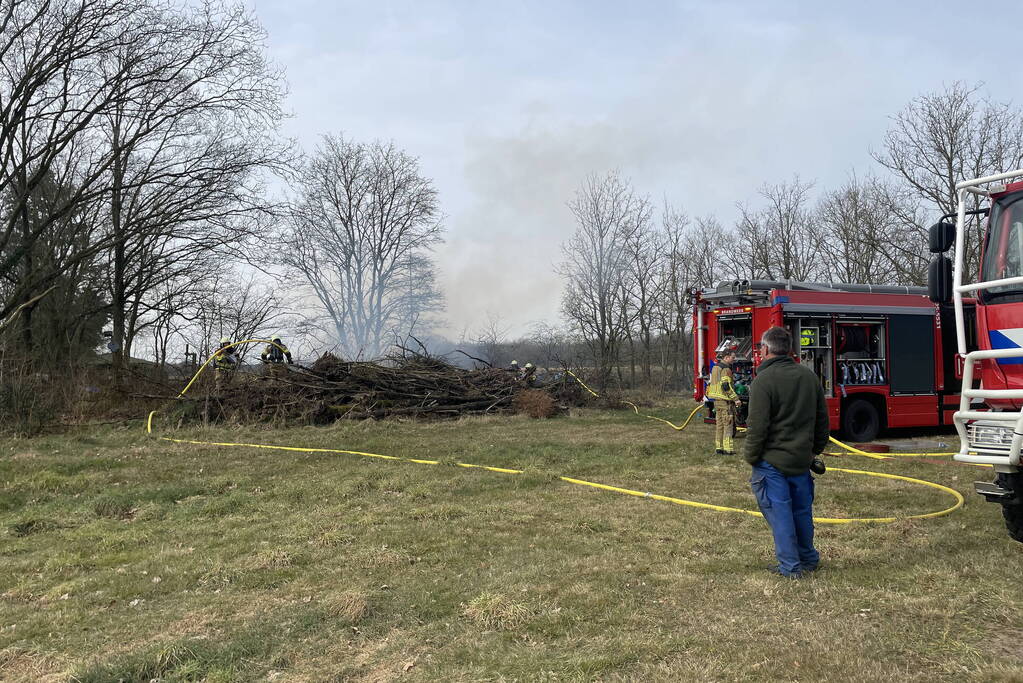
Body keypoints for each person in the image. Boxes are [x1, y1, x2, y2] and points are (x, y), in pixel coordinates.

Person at [744, 326, 829, 579]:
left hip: (772, 462)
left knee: (780, 514)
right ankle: (808, 558)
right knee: (802, 512)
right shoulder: (809, 377)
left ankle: (791, 567)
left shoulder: (763, 381)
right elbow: (822, 421)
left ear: (765, 349)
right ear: (789, 349)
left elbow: (757, 426)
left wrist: (751, 456)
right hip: (801, 460)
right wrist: (813, 450)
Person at [707, 348, 742, 455]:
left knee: (720, 425)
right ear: (726, 357)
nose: (734, 359)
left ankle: (719, 448)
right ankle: (728, 449)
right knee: (728, 425)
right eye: (732, 357)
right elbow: (726, 386)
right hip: (725, 401)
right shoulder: (726, 369)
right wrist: (736, 399)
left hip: (716, 401)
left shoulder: (715, 367)